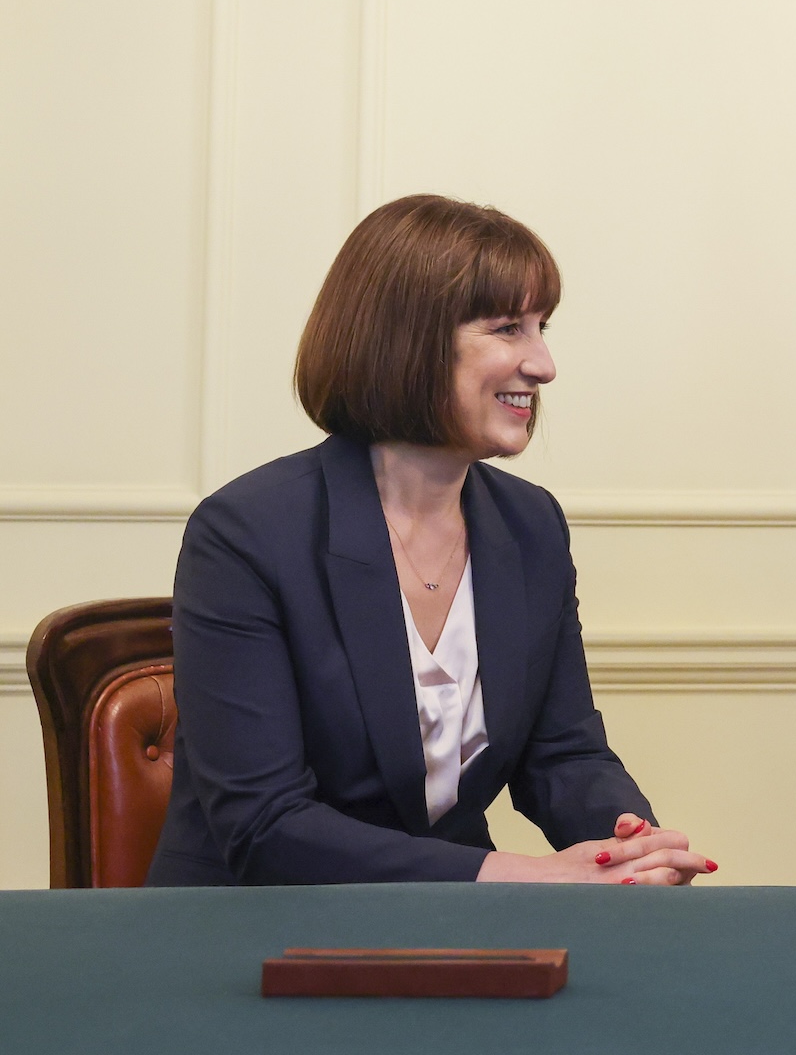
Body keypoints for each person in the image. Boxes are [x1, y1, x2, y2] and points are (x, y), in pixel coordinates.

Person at [147, 195, 713, 886]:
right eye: (508, 329)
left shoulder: (531, 524)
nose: (543, 364)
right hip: (253, 939)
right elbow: (267, 826)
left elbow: (563, 755)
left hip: (454, 925)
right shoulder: (246, 533)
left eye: (542, 328)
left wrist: (627, 846)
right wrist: (524, 875)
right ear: (405, 340)